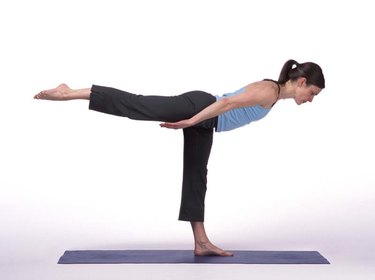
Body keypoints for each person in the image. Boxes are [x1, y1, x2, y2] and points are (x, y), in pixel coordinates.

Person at [34, 59, 325, 257]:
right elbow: (223, 103)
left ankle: (201, 242)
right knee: (140, 106)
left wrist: (196, 122)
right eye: (312, 92)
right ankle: (69, 92)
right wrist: (190, 120)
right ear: (300, 82)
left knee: (197, 176)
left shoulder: (273, 96)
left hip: (205, 122)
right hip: (200, 108)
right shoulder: (267, 90)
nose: (310, 99)